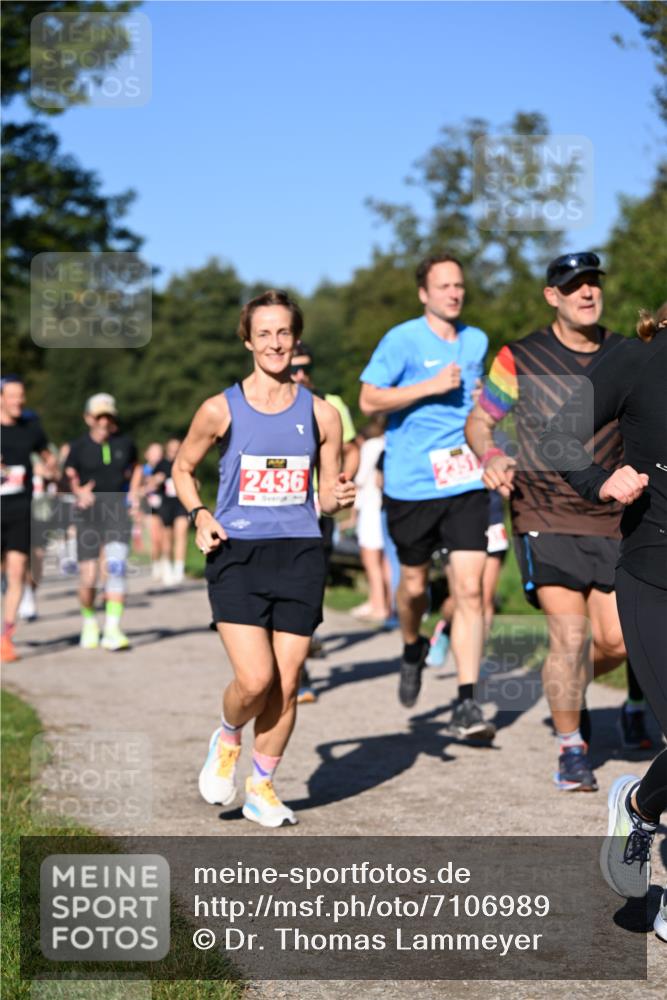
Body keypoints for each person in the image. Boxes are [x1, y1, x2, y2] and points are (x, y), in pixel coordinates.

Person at [465, 251, 650, 793]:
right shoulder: (519, 356)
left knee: (617, 642)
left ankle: (567, 692)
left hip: (615, 513)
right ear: (553, 296)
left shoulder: (628, 352)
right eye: (574, 286)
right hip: (544, 510)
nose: (587, 293)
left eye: (593, 283)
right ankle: (571, 747)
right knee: (568, 639)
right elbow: (482, 421)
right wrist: (492, 456)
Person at [173, 289, 355, 828]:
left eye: (283, 333)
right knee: (255, 680)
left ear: (296, 339)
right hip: (238, 553)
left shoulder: (323, 415)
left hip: (300, 552)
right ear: (247, 339)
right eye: (264, 333)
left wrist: (337, 499)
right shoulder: (218, 408)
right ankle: (227, 739)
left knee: (289, 680)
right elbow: (182, 469)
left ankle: (261, 786)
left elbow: (324, 497)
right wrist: (201, 514)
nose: (275, 342)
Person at [539, 302, 667, 940]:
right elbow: (556, 435)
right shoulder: (642, 358)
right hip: (655, 576)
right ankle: (640, 811)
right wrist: (598, 482)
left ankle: (642, 805)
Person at [359, 253, 495, 741]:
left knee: (471, 590)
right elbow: (369, 399)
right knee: (414, 588)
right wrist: (429, 386)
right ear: (425, 293)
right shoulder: (402, 340)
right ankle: (412, 646)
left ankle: (466, 702)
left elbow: (480, 403)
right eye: (443, 286)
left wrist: (484, 401)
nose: (454, 293)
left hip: (465, 479)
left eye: (459, 285)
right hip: (412, 483)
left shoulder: (476, 340)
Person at [290, 340, 359, 701]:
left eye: (306, 367)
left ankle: (300, 653)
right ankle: (297, 672)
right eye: (294, 367)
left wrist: (341, 483)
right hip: (279, 511)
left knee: (310, 587)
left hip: (319, 511)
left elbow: (352, 448)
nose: (301, 374)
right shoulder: (267, 403)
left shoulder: (331, 406)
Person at [65, 393, 141, 651]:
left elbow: (137, 467)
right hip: (88, 516)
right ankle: (89, 621)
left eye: (108, 416)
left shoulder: (125, 443)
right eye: (99, 417)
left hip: (117, 514)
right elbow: (69, 476)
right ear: (88, 419)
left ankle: (112, 629)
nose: (104, 422)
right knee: (89, 578)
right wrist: (78, 491)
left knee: (116, 569)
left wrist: (133, 492)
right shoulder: (78, 447)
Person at [1, 375, 55, 662]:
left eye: (21, 396)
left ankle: (5, 638)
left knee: (17, 572)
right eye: (12, 396)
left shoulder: (31, 430)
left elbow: (49, 458)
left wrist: (50, 468)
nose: (19, 401)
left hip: (21, 512)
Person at [351, 419, 391, 622]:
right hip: (387, 505)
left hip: (370, 505)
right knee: (385, 560)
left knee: (371, 559)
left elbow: (360, 478)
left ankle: (380, 605)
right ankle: (384, 602)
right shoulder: (390, 442)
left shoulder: (370, 446)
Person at [153, 438, 189, 586]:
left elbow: (195, 482)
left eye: (177, 447)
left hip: (182, 503)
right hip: (166, 504)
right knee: (167, 537)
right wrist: (157, 480)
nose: (174, 450)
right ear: (167, 449)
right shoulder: (161, 464)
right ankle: (166, 565)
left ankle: (179, 568)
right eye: (172, 448)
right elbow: (152, 483)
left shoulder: (185, 462)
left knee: (181, 534)